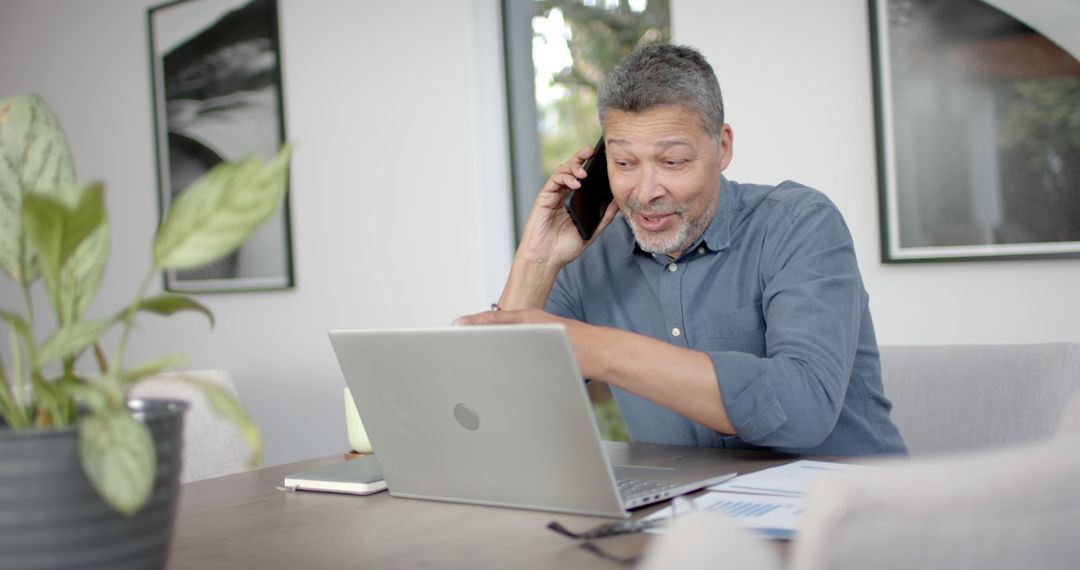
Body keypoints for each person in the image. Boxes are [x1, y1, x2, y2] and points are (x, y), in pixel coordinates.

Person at [456, 44, 906, 456]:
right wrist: (537, 260)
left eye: (673, 162)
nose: (646, 191)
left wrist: (599, 351)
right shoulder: (590, 254)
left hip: (848, 516)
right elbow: (499, 415)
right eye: (624, 162)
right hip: (689, 520)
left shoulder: (799, 224)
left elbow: (803, 409)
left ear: (722, 146)